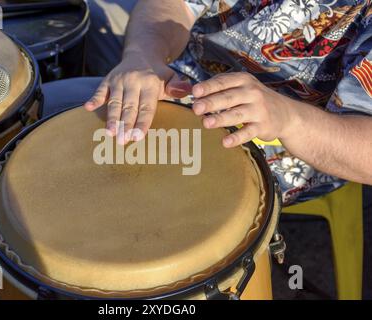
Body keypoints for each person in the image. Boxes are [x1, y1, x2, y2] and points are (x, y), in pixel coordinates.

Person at [43, 0, 372, 206]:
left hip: (287, 140)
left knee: (52, 130)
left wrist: (289, 118)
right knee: (59, 31)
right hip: (179, 71)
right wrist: (142, 56)